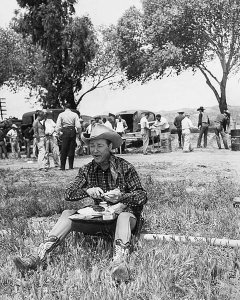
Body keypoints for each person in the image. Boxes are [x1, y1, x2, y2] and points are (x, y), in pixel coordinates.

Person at [13, 124, 148, 283]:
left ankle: (119, 264)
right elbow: (68, 193)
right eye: (92, 146)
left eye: (99, 146)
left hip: (123, 222)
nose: (95, 150)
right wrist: (87, 191)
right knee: (67, 213)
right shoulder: (87, 169)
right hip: (100, 220)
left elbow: (142, 196)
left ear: (110, 146)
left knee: (124, 215)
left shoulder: (125, 167)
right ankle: (38, 257)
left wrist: (122, 197)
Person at [56, 103, 81, 170]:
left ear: (64, 107)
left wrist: (58, 132)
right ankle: (70, 166)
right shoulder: (75, 114)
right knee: (71, 148)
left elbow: (58, 125)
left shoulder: (61, 114)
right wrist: (79, 133)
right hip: (72, 130)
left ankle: (63, 166)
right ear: (70, 108)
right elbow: (78, 126)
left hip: (65, 130)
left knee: (64, 148)